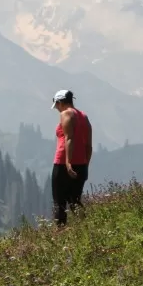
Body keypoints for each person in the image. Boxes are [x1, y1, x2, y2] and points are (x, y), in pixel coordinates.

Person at [51, 89, 93, 227]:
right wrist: (86, 164)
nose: (57, 108)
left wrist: (68, 163)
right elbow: (88, 145)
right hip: (81, 163)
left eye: (56, 105)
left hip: (63, 163)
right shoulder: (84, 116)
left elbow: (69, 138)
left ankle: (60, 233)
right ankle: (87, 227)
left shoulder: (66, 113)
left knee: (59, 202)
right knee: (75, 200)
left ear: (60, 102)